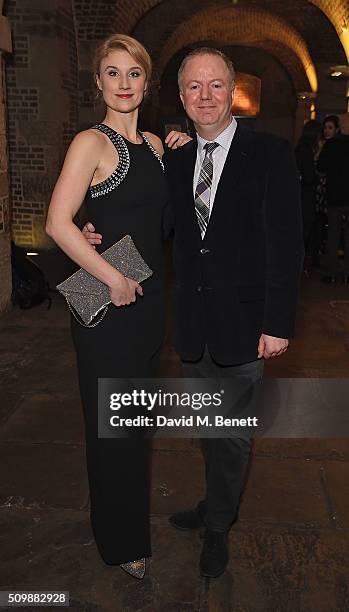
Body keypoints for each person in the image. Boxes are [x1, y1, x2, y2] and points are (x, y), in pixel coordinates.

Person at [84, 46, 304, 578]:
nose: (205, 96)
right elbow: (153, 233)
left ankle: (218, 528)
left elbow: (287, 243)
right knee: (211, 430)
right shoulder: (174, 160)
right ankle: (215, 504)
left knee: (230, 437)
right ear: (180, 96)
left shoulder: (271, 153)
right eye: (193, 87)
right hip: (190, 326)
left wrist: (278, 324)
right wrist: (97, 240)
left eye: (216, 86)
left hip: (246, 325)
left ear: (233, 92)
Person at [46, 34, 189, 580]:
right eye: (112, 73)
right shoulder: (90, 141)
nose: (123, 84)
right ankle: (121, 541)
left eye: (133, 74)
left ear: (147, 83)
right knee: (113, 428)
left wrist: (179, 153)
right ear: (98, 82)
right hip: (106, 303)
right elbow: (59, 224)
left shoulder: (154, 143)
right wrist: (110, 277)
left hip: (147, 304)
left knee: (135, 426)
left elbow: (160, 225)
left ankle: (121, 523)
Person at [317, 117, 349, 283]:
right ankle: (347, 273)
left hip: (334, 195)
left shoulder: (331, 145)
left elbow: (320, 167)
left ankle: (330, 273)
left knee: (333, 235)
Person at [295, 120, 322, 276]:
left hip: (302, 194)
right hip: (306, 195)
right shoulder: (306, 150)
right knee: (305, 230)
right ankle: (302, 265)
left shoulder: (301, 148)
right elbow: (309, 176)